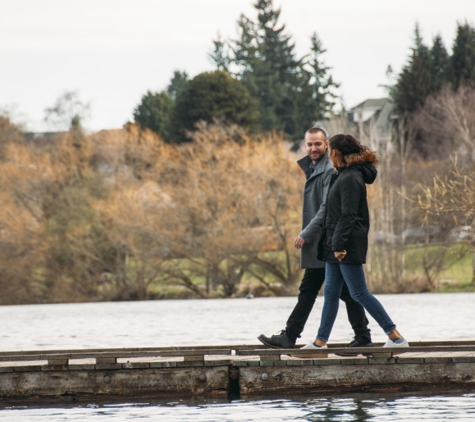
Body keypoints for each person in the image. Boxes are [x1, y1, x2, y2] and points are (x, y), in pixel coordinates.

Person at [258, 127, 373, 354]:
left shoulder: (330, 169)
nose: (313, 148)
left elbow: (326, 209)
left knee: (339, 292)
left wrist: (306, 233)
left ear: (327, 144)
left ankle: (364, 336)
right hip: (324, 241)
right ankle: (360, 336)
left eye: (317, 144)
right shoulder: (315, 168)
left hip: (327, 241)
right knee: (329, 291)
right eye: (309, 144)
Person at [301, 134, 409, 355]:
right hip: (334, 244)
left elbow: (349, 215)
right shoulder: (341, 175)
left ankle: (395, 337)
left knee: (359, 293)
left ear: (336, 153)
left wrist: (339, 245)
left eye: (330, 150)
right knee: (330, 293)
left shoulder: (351, 177)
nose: (328, 154)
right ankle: (320, 341)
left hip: (345, 245)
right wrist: (333, 244)